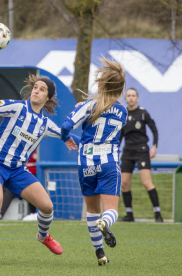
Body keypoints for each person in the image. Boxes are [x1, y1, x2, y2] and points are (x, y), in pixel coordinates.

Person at [0, 74, 79, 266]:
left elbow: (65, 134)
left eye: (42, 89)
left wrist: (83, 140)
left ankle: (43, 236)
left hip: (17, 170)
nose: (37, 90)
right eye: (36, 87)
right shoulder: (17, 107)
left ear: (48, 98)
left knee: (47, 206)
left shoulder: (44, 123)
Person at [60, 57, 127, 266]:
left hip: (86, 163)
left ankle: (100, 253)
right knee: (111, 210)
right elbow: (103, 137)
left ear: (101, 85)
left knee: (91, 210)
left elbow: (65, 126)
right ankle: (105, 222)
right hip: (108, 162)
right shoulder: (123, 112)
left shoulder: (88, 105)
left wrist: (67, 138)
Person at [118, 88, 163, 223]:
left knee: (146, 182)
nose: (131, 98)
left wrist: (154, 146)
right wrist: (116, 150)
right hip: (127, 152)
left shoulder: (143, 113)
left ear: (137, 98)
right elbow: (119, 135)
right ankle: (129, 214)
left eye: (133, 96)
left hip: (142, 151)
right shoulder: (122, 114)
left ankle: (158, 214)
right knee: (124, 183)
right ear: (125, 99)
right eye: (128, 96)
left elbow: (154, 130)